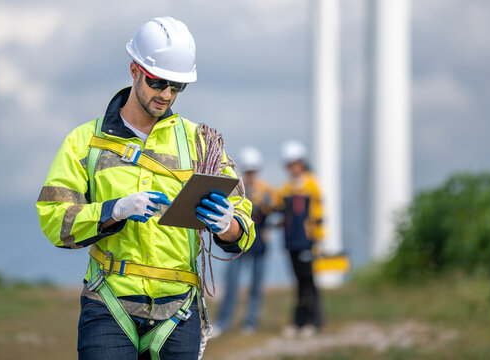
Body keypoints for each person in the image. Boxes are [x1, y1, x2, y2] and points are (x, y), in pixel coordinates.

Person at [36, 17, 255, 360]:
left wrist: (229, 225)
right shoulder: (85, 142)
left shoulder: (202, 142)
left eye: (177, 86)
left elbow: (243, 217)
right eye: (158, 82)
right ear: (135, 71)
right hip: (109, 303)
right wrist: (113, 211)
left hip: (179, 311)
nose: (166, 94)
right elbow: (54, 218)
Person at [212, 147, 275, 337]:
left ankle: (250, 322)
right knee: (231, 284)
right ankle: (223, 322)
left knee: (256, 286)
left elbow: (278, 209)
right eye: (247, 171)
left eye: (253, 171)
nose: (250, 175)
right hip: (237, 246)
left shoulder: (267, 191)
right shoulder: (237, 191)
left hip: (259, 246)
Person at [276, 140, 324, 338]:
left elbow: (318, 214)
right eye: (288, 164)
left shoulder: (312, 184)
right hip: (291, 242)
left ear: (301, 163)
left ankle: (311, 322)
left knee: (308, 282)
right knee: (299, 283)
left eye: (294, 163)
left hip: (306, 242)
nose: (291, 168)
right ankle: (300, 322)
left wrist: (317, 240)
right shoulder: (287, 188)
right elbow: (276, 204)